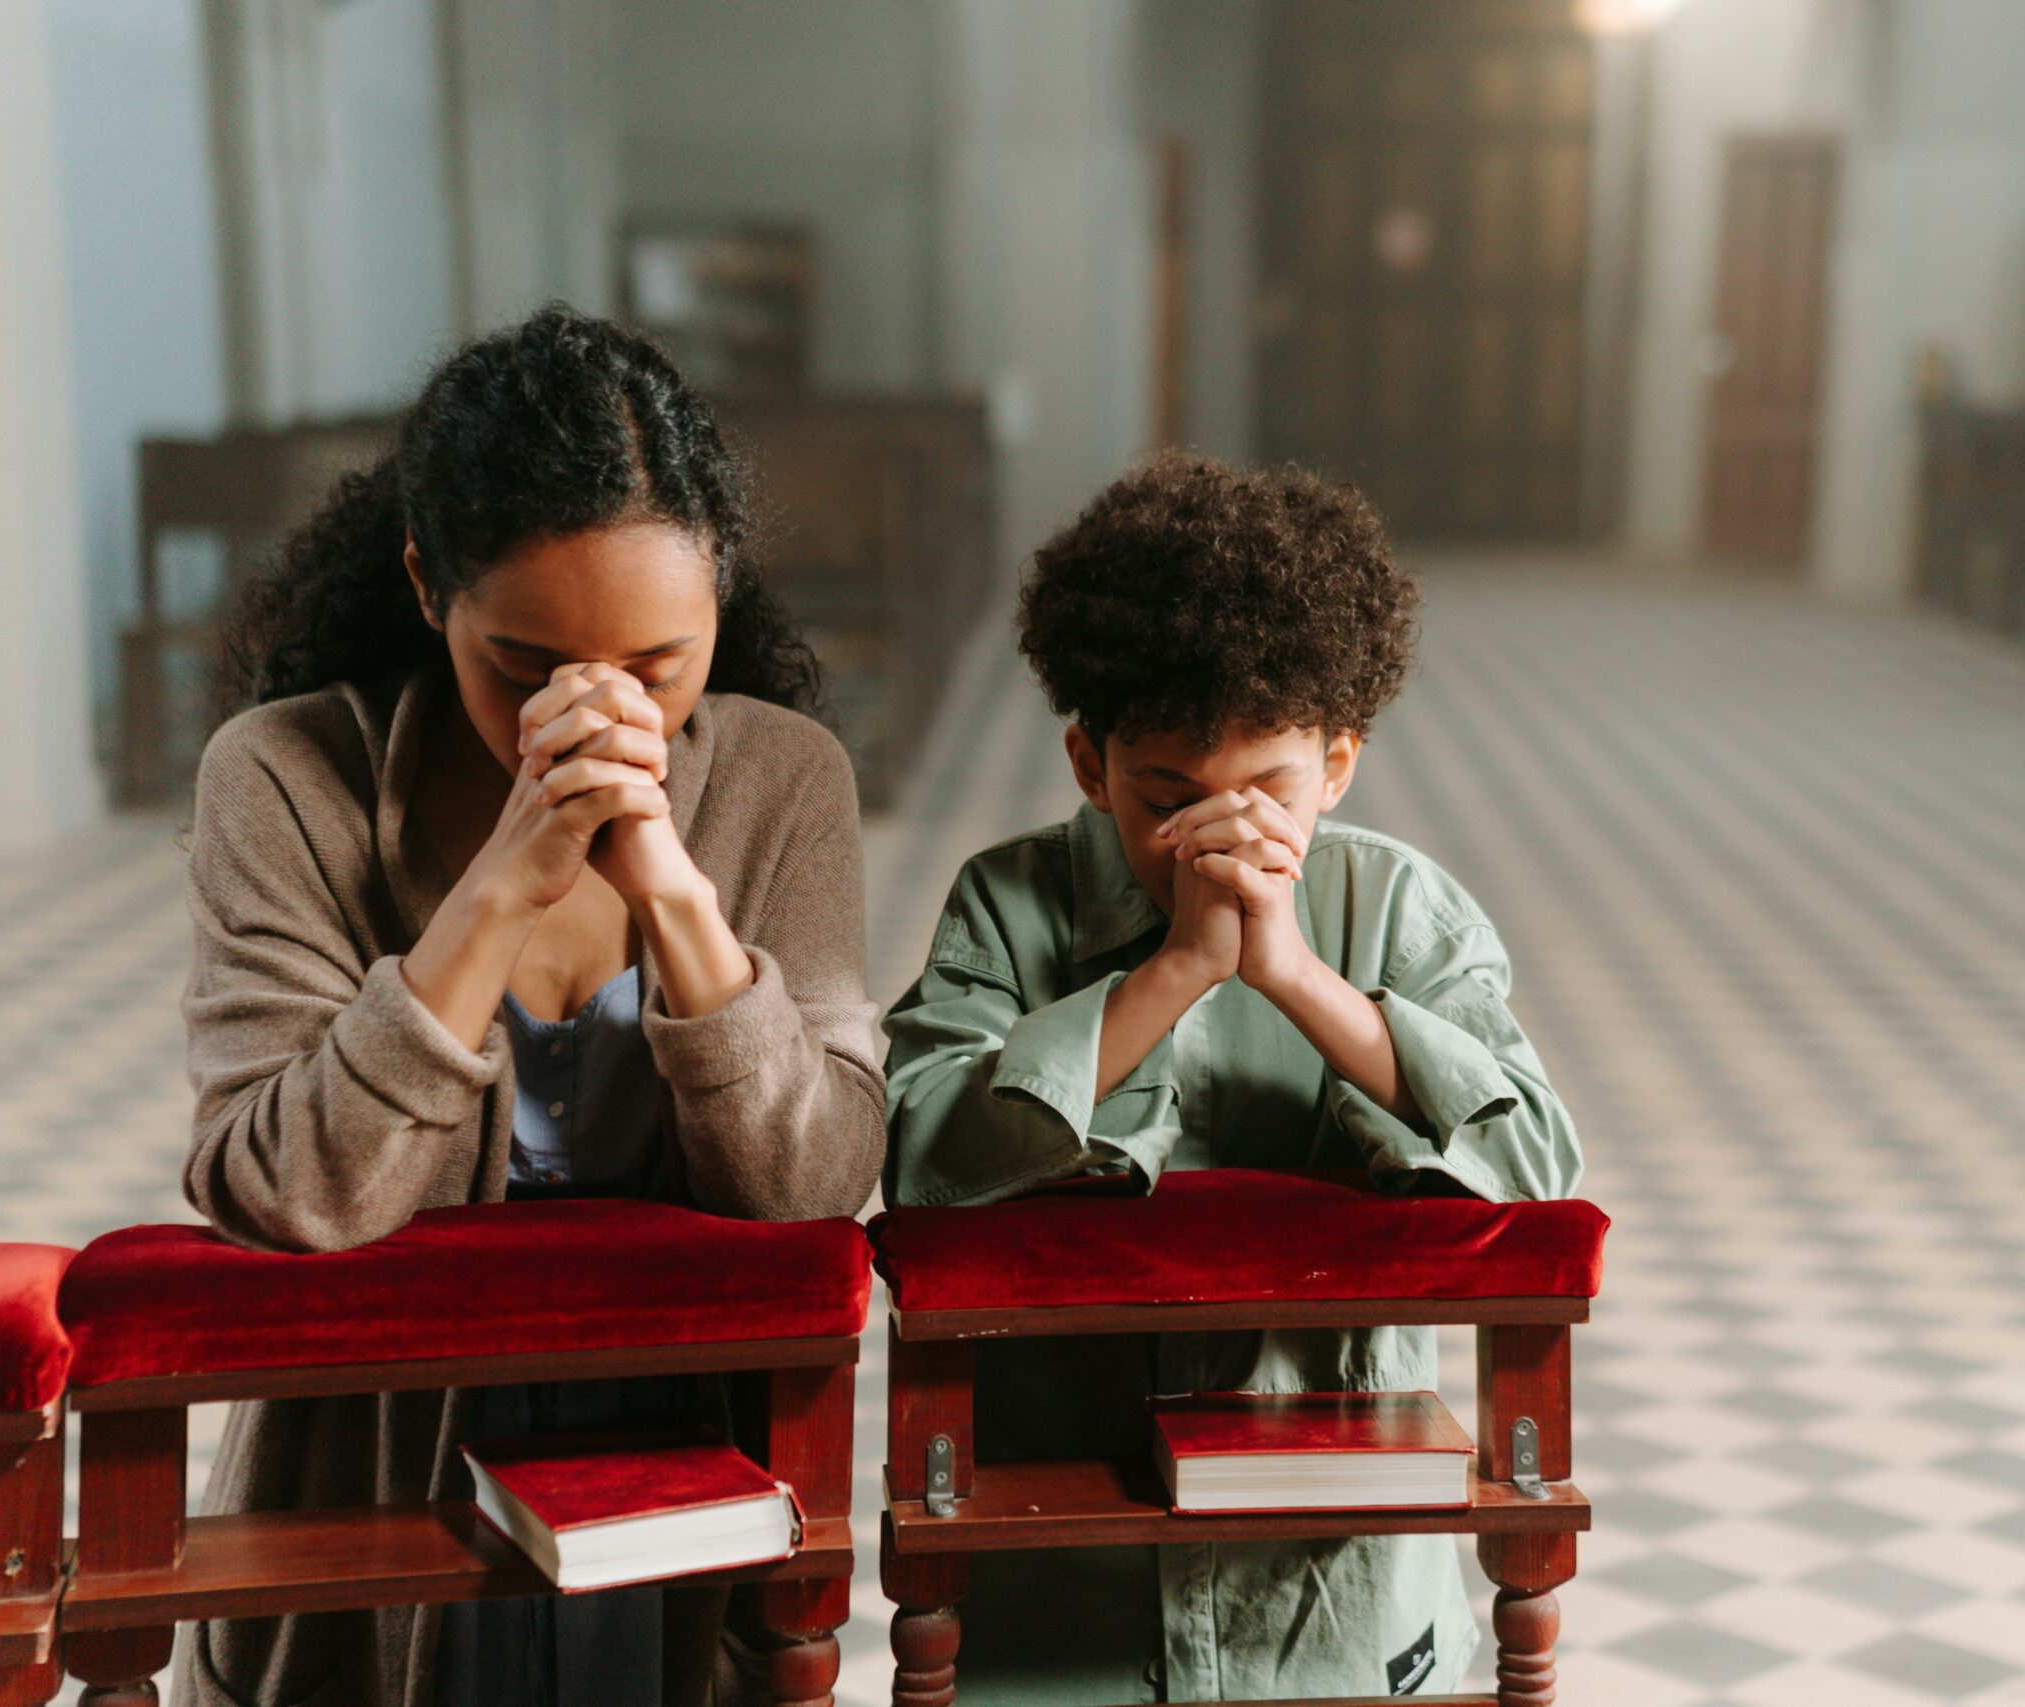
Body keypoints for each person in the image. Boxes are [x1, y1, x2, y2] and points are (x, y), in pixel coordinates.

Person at [176, 305, 885, 1707]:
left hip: (679, 1483)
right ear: (427, 585)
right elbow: (283, 1188)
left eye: (657, 666)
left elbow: (816, 1181)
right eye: (526, 667)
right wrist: (499, 886)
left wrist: (675, 894)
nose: (594, 713)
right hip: (372, 1480)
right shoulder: (279, 778)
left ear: (720, 598)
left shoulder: (784, 779)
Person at [882, 450, 1581, 1702]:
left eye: (1269, 791)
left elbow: (1531, 1166)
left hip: (1331, 1595)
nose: (1220, 838)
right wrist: (1180, 970)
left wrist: (1298, 978)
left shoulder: (1402, 908)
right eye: (1167, 799)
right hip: (1064, 1593)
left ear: (1341, 764)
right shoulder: (1006, 903)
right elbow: (921, 1162)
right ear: (1088, 764)